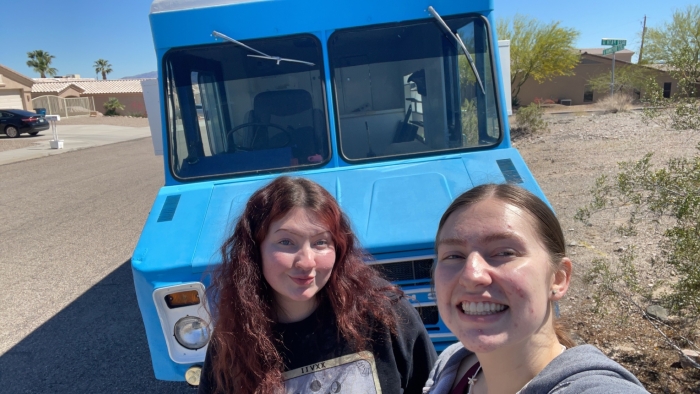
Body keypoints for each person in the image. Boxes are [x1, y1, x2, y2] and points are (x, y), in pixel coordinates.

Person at [199, 176, 436, 394]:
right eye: (286, 242)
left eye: (320, 242)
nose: (306, 262)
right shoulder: (232, 341)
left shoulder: (384, 312)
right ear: (254, 250)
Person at [422, 184, 648, 394]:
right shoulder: (452, 364)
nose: (472, 275)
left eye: (504, 253)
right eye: (453, 255)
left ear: (558, 278)